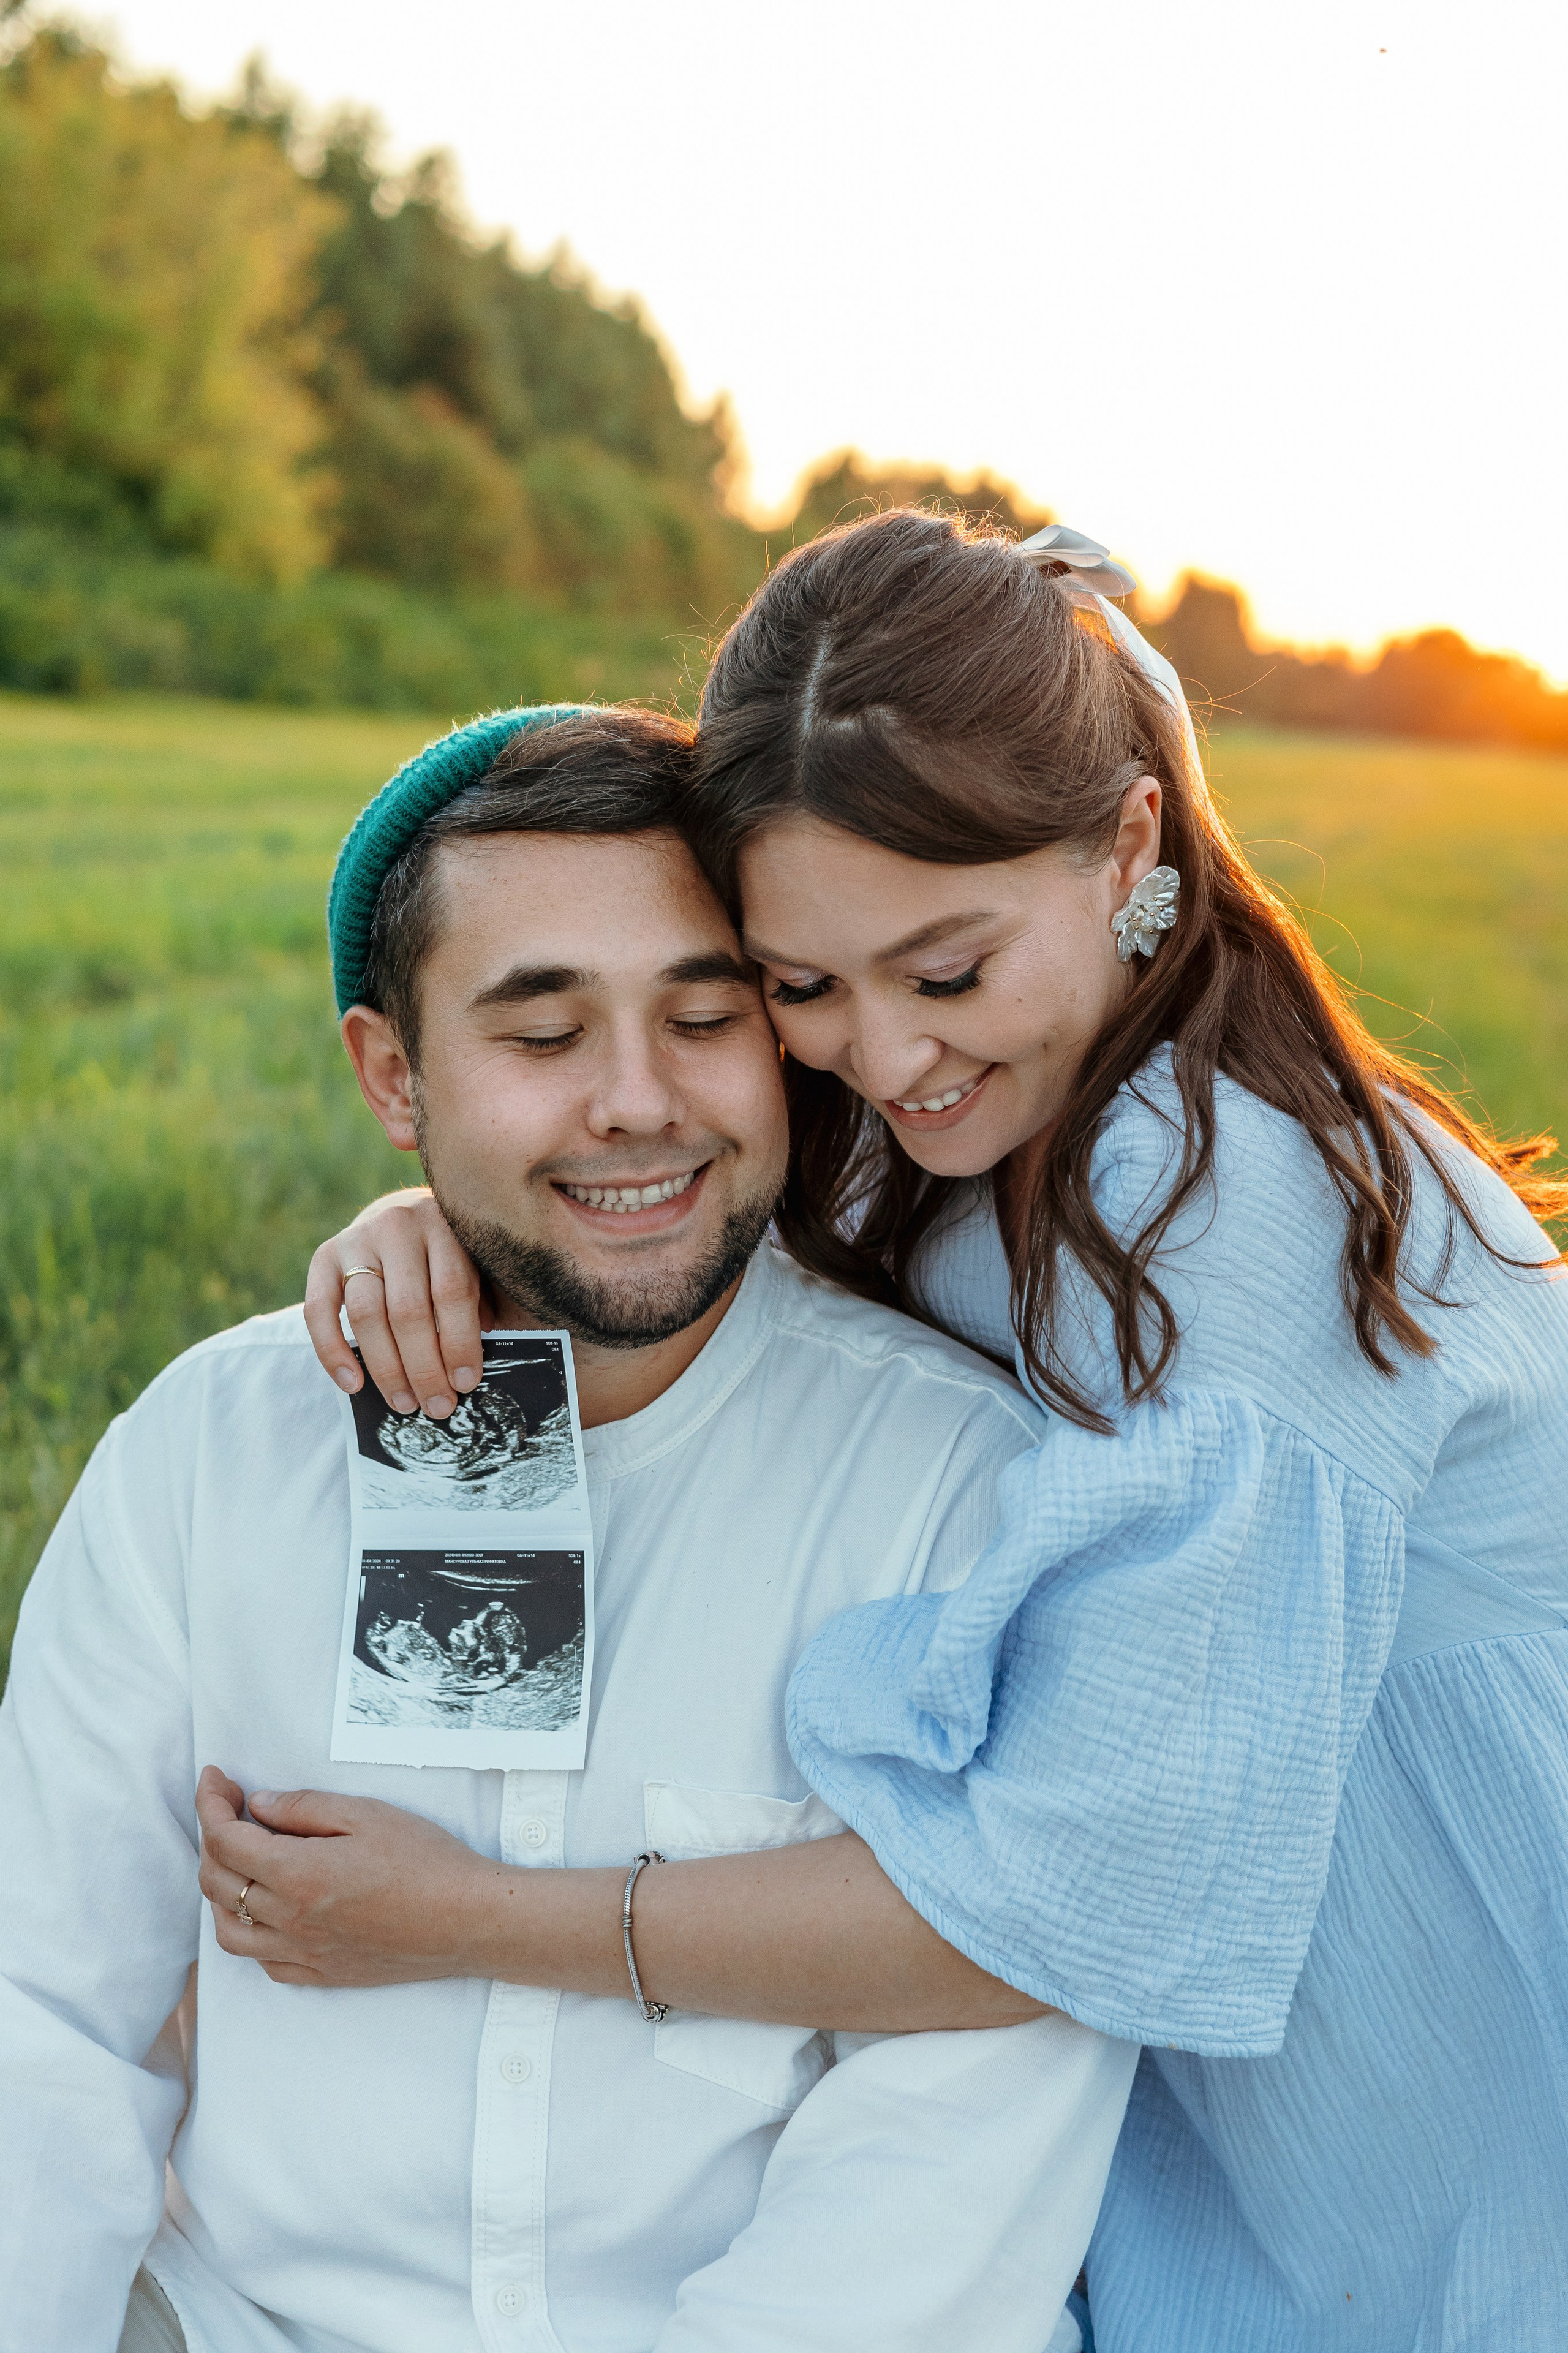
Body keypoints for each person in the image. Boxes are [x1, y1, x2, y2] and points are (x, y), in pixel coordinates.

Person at [298, 513, 1568, 2351]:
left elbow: (1058, 1915)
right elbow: (650, 1177)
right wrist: (465, 1224)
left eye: (944, 970)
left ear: (1128, 844)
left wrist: (486, 1915)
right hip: (1184, 2017)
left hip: (1427, 2040)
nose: (883, 1062)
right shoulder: (1002, 1083)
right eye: (802, 985)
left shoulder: (1236, 1240)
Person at [0, 706, 1139, 2353]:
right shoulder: (210, 1453)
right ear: (396, 1075)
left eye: (704, 1015)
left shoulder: (956, 1487)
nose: (637, 1101)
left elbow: (956, 2128)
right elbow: (45, 2013)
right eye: (541, 1037)